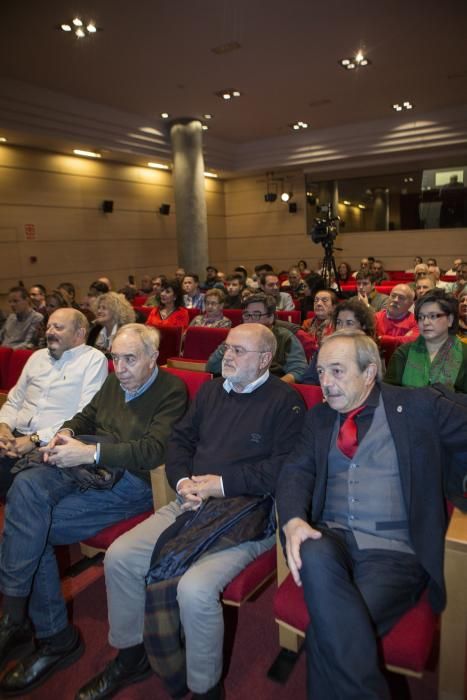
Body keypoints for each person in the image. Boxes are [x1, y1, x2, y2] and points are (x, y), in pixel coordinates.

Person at [76, 323, 305, 700]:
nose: (227, 356)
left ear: (265, 359)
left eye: (239, 351)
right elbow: (179, 439)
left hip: (247, 513)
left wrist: (220, 484)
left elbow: (283, 468)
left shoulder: (286, 401)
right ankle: (131, 655)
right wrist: (182, 482)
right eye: (227, 348)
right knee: (119, 557)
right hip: (191, 500)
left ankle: (204, 689)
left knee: (195, 590)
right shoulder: (213, 390)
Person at [276, 330, 467, 700]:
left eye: (337, 371)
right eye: (321, 372)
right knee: (311, 547)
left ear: (370, 372)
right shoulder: (318, 420)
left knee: (325, 634)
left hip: (394, 553)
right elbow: (295, 471)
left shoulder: (418, 406)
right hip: (331, 541)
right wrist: (294, 520)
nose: (326, 383)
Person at [0, 324, 187, 695]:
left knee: (30, 529)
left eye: (130, 359)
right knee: (24, 487)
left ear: (153, 357)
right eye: (115, 358)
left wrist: (90, 451)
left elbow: (152, 452)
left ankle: (49, 635)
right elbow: (84, 417)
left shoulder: (172, 390)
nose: (121, 367)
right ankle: (17, 616)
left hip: (133, 483)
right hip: (87, 466)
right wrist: (68, 432)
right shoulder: (114, 382)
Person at [0, 308, 108, 496]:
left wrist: (33, 440)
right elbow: (14, 401)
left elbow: (84, 416)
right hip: (14, 437)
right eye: (49, 326)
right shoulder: (36, 357)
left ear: (80, 333)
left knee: (23, 484)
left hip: (51, 444)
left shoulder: (93, 360)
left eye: (58, 327)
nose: (50, 332)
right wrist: (3, 428)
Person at [207, 293, 307, 383]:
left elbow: (299, 371)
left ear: (271, 317)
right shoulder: (238, 337)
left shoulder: (285, 337)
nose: (250, 320)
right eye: (247, 315)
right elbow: (212, 367)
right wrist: (228, 345)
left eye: (256, 315)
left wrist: (276, 387)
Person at [384, 290, 467, 392]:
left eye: (433, 316)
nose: (425, 322)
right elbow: (389, 394)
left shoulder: (464, 354)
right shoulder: (403, 353)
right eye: (421, 317)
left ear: (450, 319)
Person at [301, 290, 336, 356]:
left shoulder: (338, 325)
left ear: (334, 307)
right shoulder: (307, 324)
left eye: (324, 300)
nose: (319, 303)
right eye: (316, 300)